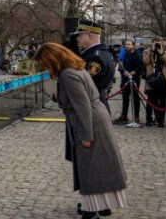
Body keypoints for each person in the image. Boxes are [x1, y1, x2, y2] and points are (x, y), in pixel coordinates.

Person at [34, 43, 127, 219]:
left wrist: (86, 135)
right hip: (96, 117)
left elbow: (82, 105)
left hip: (89, 121)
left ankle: (91, 210)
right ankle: (103, 205)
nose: (45, 68)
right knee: (101, 166)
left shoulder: (68, 74)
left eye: (45, 63)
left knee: (90, 168)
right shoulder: (74, 68)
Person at [72, 19, 114, 113]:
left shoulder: (95, 58)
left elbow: (90, 89)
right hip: (96, 107)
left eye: (80, 35)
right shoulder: (98, 54)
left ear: (89, 36)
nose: (77, 38)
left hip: (92, 110)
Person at [141, 39, 166, 128]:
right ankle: (149, 119)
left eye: (159, 42)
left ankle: (160, 121)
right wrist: (152, 51)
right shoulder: (147, 51)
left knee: (162, 101)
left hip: (162, 80)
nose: (158, 43)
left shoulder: (164, 51)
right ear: (152, 43)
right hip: (151, 79)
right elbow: (145, 62)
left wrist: (161, 53)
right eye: (155, 42)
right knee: (151, 101)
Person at [115, 40, 143, 128]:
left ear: (133, 46)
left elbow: (140, 67)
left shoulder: (137, 55)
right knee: (125, 97)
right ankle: (124, 115)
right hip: (125, 80)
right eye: (126, 45)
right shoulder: (126, 55)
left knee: (135, 98)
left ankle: (136, 116)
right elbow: (123, 66)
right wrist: (124, 71)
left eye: (129, 44)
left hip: (134, 79)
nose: (127, 46)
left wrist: (132, 73)